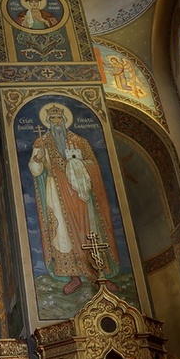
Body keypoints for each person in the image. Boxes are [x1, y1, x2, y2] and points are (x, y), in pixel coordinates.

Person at [28, 103, 119, 295]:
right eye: (52, 119)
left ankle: (97, 275)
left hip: (81, 195)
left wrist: (77, 166)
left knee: (90, 232)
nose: (56, 123)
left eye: (59, 119)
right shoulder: (41, 143)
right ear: (48, 122)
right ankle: (74, 278)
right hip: (56, 195)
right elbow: (35, 170)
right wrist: (37, 159)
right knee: (62, 235)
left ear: (64, 120)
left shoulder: (80, 141)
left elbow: (93, 164)